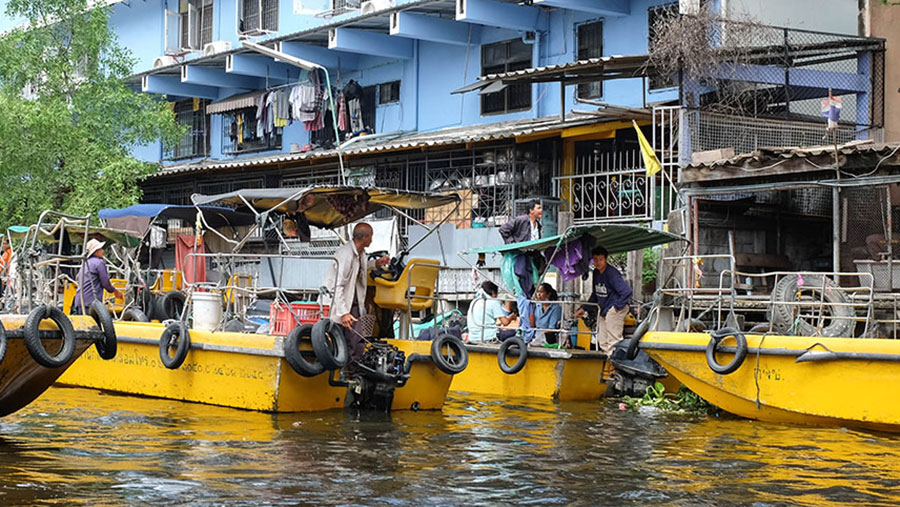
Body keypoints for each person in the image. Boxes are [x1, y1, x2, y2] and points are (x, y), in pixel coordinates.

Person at [321, 223, 390, 360]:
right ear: (364, 237)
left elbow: (361, 268)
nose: (371, 239)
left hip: (353, 301)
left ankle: (354, 371)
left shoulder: (360, 253)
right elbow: (337, 286)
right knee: (340, 338)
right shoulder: (345, 255)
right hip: (339, 304)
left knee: (356, 339)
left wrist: (377, 263)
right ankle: (349, 371)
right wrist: (343, 312)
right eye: (370, 236)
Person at [575, 246, 633, 354]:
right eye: (595, 260)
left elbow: (627, 291)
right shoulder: (596, 273)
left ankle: (616, 364)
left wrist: (616, 307)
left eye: (600, 260)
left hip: (615, 308)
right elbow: (595, 294)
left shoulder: (612, 273)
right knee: (602, 340)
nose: (598, 263)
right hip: (604, 309)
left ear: (605, 259)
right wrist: (584, 308)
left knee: (614, 340)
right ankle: (608, 362)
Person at [71, 239, 124, 315]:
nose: (103, 251)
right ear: (95, 251)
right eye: (101, 249)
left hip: (79, 301)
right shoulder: (99, 263)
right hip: (91, 304)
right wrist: (116, 292)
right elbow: (106, 283)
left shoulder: (85, 263)